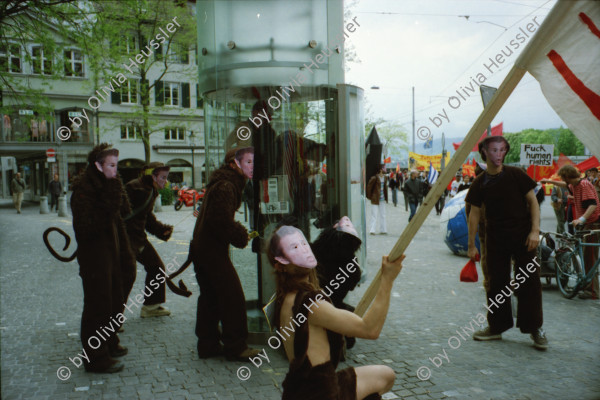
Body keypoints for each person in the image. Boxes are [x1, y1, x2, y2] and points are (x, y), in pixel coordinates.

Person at [267, 224, 405, 400]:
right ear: (281, 265)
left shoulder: (284, 296)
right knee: (384, 378)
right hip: (321, 393)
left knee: (385, 375)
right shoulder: (311, 304)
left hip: (299, 389)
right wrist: (387, 279)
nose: (303, 250)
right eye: (294, 247)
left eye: (303, 244)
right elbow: (370, 329)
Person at [466, 136, 547, 350]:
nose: (498, 154)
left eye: (502, 150)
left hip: (523, 236)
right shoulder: (479, 182)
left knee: (529, 281)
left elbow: (533, 203)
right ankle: (496, 326)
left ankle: (535, 328)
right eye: (493, 150)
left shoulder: (516, 174)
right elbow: (473, 214)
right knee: (496, 283)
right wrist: (471, 245)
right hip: (495, 238)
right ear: (484, 152)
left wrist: (535, 231)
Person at [190, 146, 260, 361]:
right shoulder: (227, 186)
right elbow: (219, 220)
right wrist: (241, 235)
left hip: (203, 248)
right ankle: (236, 347)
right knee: (233, 298)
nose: (252, 167)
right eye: (248, 162)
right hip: (211, 251)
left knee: (210, 297)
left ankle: (208, 345)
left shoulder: (224, 183)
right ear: (234, 164)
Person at [70, 143, 136, 373]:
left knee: (114, 298)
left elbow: (124, 214)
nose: (115, 171)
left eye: (116, 166)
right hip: (95, 258)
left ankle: (108, 341)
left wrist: (116, 189)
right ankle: (95, 357)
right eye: (111, 166)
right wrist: (110, 195)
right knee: (98, 304)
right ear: (98, 166)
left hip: (114, 254)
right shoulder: (84, 190)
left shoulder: (109, 184)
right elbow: (88, 227)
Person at [542, 165, 600, 300]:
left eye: (563, 177)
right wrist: (550, 182)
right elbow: (564, 184)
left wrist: (581, 219)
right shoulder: (574, 184)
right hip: (586, 224)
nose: (562, 180)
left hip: (592, 223)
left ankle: (592, 292)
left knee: (590, 258)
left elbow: (593, 205)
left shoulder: (584, 185)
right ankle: (586, 286)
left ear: (568, 176)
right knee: (586, 256)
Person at [125, 162, 174, 317]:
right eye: (163, 177)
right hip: (128, 238)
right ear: (153, 177)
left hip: (135, 237)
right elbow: (123, 215)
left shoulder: (146, 188)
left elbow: (145, 217)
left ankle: (151, 307)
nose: (166, 181)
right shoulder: (139, 190)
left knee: (156, 268)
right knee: (125, 276)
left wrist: (161, 230)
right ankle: (112, 316)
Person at [366, 166, 388, 235]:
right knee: (374, 215)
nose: (385, 170)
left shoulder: (385, 178)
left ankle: (383, 230)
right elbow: (369, 187)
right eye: (383, 169)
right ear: (380, 170)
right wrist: (370, 197)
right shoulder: (374, 178)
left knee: (383, 215)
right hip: (375, 199)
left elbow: (384, 188)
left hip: (382, 199)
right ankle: (372, 230)